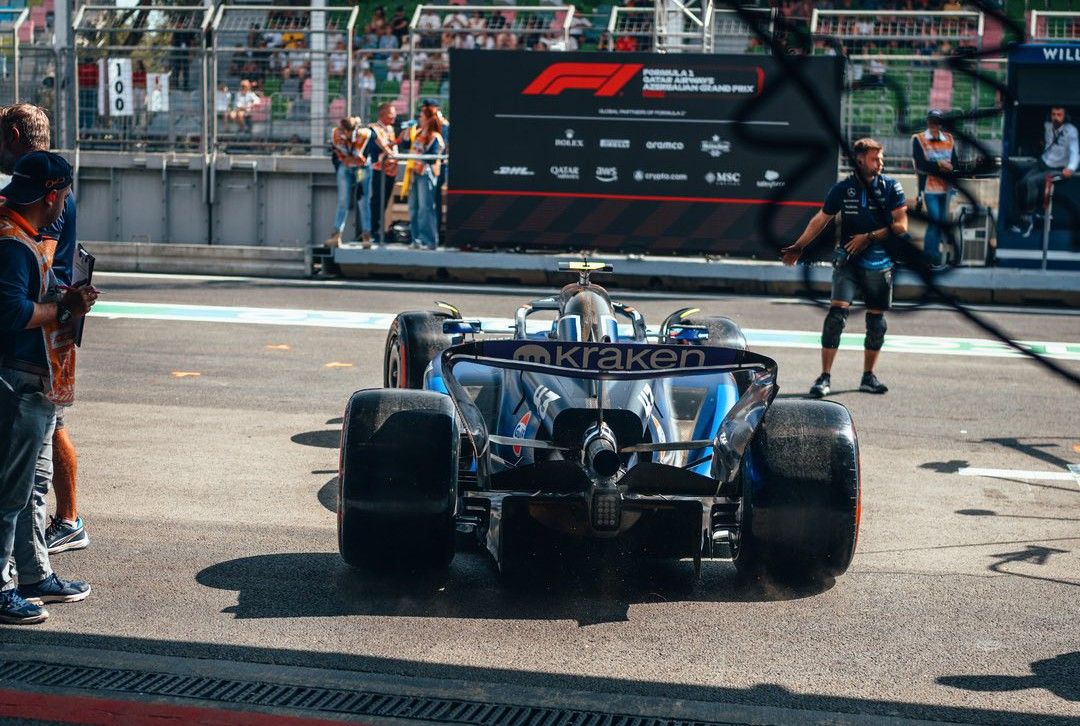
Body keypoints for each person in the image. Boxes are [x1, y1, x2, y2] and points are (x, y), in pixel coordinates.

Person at [0, 151, 97, 624]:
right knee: (11, 491)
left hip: (33, 379)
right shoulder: (14, 243)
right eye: (65, 196)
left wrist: (66, 299)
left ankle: (35, 572)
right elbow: (14, 313)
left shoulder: (24, 233)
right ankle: (2, 587)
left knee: (33, 486)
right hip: (19, 380)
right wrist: (64, 310)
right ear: (53, 195)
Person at [0, 104, 86, 555]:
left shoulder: (27, 224)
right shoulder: (18, 233)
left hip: (33, 353)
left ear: (13, 134)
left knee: (29, 471)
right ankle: (25, 568)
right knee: (22, 479)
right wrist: (64, 309)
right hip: (33, 354)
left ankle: (56, 535)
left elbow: (22, 298)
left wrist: (61, 308)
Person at [782, 138, 909, 397]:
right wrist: (799, 246)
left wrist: (869, 237)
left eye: (881, 158)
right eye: (876, 159)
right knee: (835, 319)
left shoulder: (892, 187)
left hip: (880, 264)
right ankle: (824, 377)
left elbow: (901, 226)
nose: (881, 163)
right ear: (859, 160)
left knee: (877, 323)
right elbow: (820, 219)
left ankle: (868, 376)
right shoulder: (843, 188)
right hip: (848, 263)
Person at [1011, 105, 1078, 236]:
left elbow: (1075, 152)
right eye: (1054, 114)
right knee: (1021, 184)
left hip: (1058, 168)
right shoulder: (1047, 125)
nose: (1056, 118)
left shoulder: (1071, 131)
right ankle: (1029, 213)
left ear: (1065, 117)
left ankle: (1028, 220)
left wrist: (1070, 168)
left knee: (1031, 182)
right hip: (1043, 162)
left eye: (1059, 115)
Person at [911, 109, 958, 266]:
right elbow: (921, 165)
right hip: (930, 188)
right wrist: (940, 164)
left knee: (940, 222)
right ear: (927, 122)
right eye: (931, 121)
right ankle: (929, 256)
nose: (933, 124)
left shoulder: (950, 139)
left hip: (947, 188)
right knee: (935, 222)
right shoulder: (919, 139)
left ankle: (935, 255)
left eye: (936, 121)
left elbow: (955, 163)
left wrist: (948, 166)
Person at [406, 105, 444, 250]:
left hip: (426, 173)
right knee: (413, 207)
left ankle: (428, 240)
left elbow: (433, 157)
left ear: (428, 119)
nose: (419, 118)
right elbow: (407, 145)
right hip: (414, 172)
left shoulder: (435, 136)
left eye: (422, 115)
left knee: (425, 208)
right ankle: (416, 239)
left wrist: (421, 157)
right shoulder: (419, 132)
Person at [326, 116, 366, 248]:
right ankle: (337, 234)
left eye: (349, 131)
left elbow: (360, 156)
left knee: (363, 198)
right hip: (345, 165)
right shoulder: (336, 134)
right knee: (343, 200)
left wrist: (355, 153)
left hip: (361, 169)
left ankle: (367, 234)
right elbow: (343, 155)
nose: (346, 134)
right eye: (344, 131)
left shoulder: (363, 134)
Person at [364, 103, 399, 245]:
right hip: (378, 171)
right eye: (391, 113)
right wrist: (396, 142)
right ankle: (372, 231)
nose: (394, 116)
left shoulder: (390, 128)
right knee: (376, 201)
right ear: (382, 114)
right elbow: (378, 147)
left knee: (384, 201)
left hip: (391, 170)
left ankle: (377, 230)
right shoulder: (373, 129)